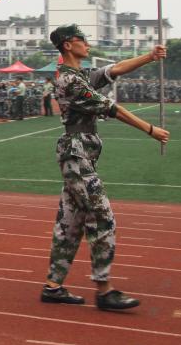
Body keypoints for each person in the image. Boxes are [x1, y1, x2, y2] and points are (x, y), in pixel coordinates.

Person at [42, 25, 170, 311]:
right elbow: (111, 108)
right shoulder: (69, 81)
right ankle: (104, 290)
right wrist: (150, 129)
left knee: (70, 223)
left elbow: (114, 70)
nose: (87, 43)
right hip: (77, 156)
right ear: (67, 45)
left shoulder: (80, 75)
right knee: (102, 218)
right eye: (82, 39)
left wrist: (150, 57)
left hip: (79, 156)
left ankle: (53, 286)